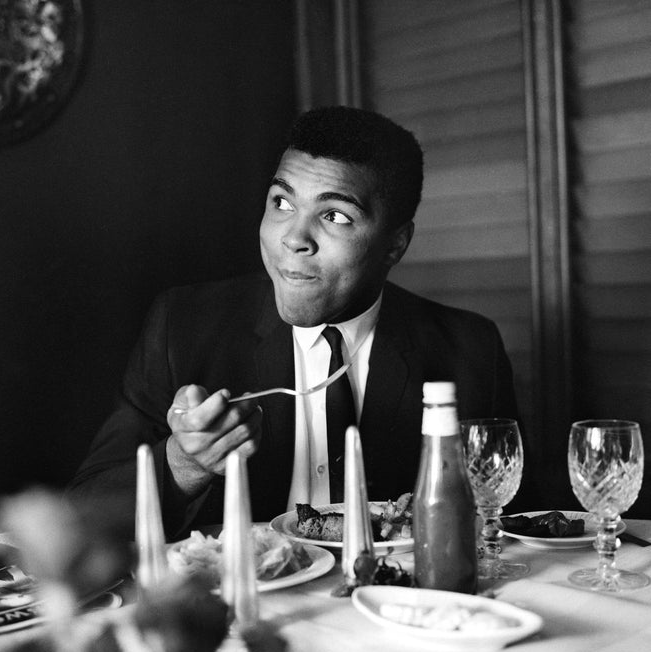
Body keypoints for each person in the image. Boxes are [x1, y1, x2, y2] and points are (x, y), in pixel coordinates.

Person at [67, 106, 519, 540]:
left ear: (395, 245)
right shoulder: (182, 326)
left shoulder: (468, 348)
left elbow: (512, 525)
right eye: (282, 202)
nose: (293, 238)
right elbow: (86, 516)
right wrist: (185, 464)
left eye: (335, 215)